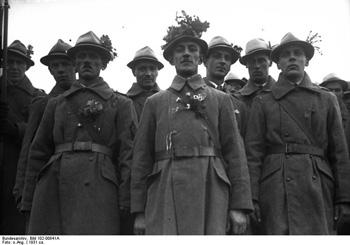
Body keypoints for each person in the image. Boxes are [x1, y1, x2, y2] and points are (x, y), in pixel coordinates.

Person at [131, 12, 253, 235]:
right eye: (180, 50)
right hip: (164, 188)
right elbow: (141, 158)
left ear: (200, 58)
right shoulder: (154, 102)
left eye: (193, 50)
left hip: (211, 188)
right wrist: (139, 211)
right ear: (170, 59)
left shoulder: (221, 99)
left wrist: (239, 205)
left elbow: (236, 153)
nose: (186, 54)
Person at [23, 31, 137, 234]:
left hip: (101, 184)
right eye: (81, 57)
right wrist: (29, 198)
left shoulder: (120, 103)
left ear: (103, 64)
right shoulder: (56, 104)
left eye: (93, 57)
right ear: (74, 63)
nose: (86, 61)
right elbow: (38, 151)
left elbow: (128, 155)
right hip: (55, 184)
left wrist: (126, 197)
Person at [245, 32, 350, 234]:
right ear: (277, 64)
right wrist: (253, 198)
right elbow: (254, 153)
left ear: (307, 61)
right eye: (285, 55)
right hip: (276, 187)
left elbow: (339, 154)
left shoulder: (326, 99)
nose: (292, 57)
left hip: (317, 185)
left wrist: (344, 198)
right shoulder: (263, 101)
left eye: (298, 53)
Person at [13, 39, 76, 231]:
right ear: (49, 70)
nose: (60, 70)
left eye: (65, 64)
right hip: (47, 183)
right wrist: (22, 189)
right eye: (55, 66)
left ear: (75, 65)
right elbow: (29, 150)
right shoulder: (41, 104)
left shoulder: (90, 100)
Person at [0, 40, 45, 234]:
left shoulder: (37, 96)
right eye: (9, 62)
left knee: (14, 227)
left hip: (16, 167)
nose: (14, 67)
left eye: (19, 63)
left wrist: (14, 128)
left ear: (26, 66)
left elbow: (41, 132)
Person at [203, 36, 248, 135]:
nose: (223, 61)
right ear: (205, 61)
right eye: (217, 56)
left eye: (227, 58)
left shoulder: (239, 105)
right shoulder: (193, 95)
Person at [126, 46, 163, 122]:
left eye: (152, 69)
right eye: (142, 69)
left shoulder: (166, 99)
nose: (148, 74)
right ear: (134, 72)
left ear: (157, 72)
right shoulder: (125, 101)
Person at [237, 38, 275, 109]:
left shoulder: (283, 94)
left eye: (261, 60)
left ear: (270, 62)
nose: (257, 66)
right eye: (252, 61)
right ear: (246, 65)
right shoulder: (237, 99)